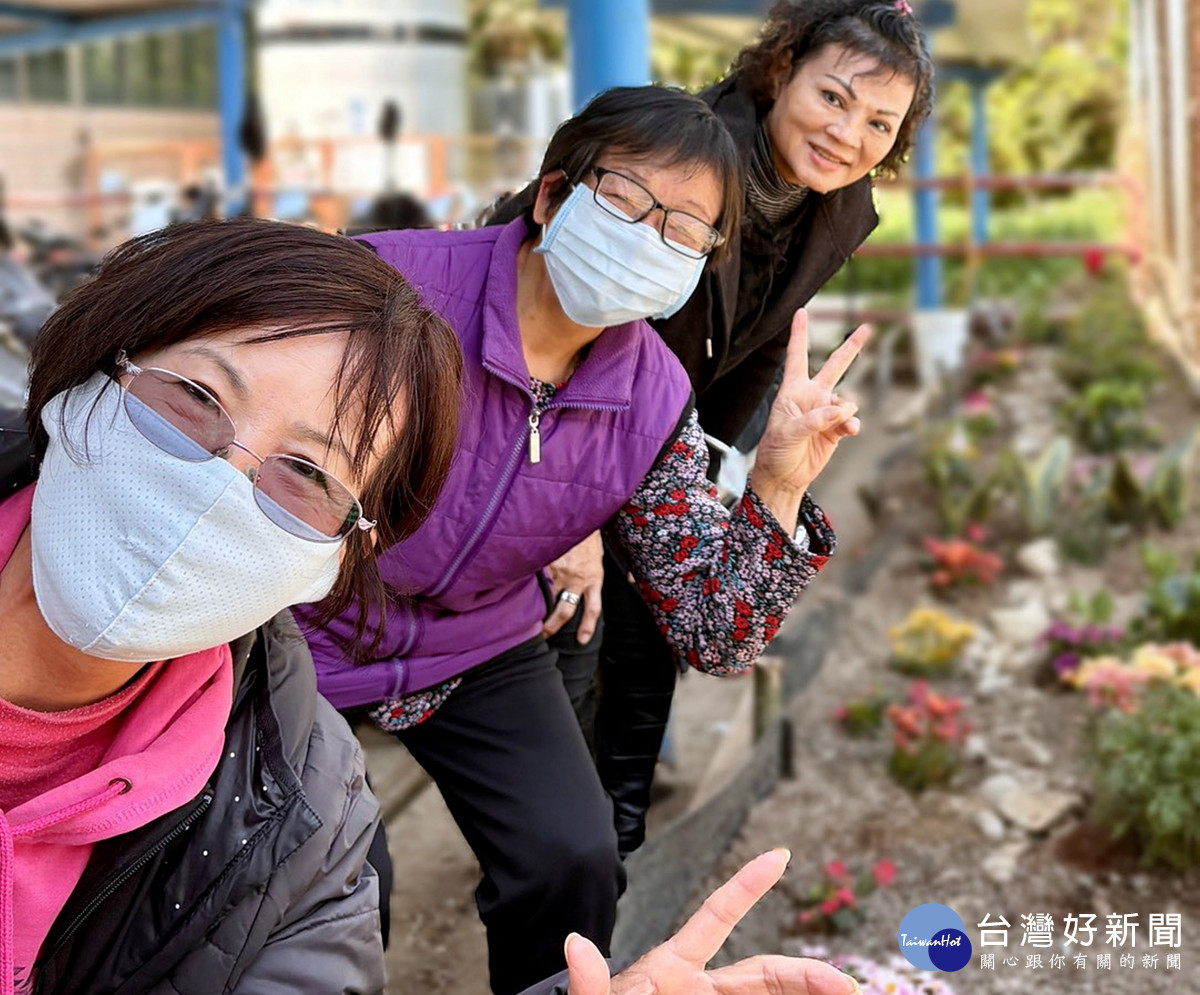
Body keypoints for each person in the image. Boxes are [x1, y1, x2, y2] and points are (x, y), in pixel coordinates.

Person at [299, 84, 868, 995]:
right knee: (337, 873)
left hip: (476, 640)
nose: (651, 238)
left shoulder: (650, 397)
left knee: (573, 858)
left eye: (687, 230)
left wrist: (778, 482)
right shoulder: (384, 293)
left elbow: (715, 630)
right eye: (627, 203)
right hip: (299, 630)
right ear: (555, 195)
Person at [489, 0, 934, 857]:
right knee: (574, 649)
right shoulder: (687, 152)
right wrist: (569, 512)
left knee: (654, 642)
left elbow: (762, 344)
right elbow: (563, 309)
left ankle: (614, 864)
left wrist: (716, 486)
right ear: (781, 71)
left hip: (660, 443)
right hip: (550, 425)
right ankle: (569, 883)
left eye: (880, 122)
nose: (849, 134)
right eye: (834, 98)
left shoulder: (834, 208)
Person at [0, 216, 463, 994]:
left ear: (340, 558)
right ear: (85, 377)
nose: (217, 485)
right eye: (193, 395)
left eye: (309, 476)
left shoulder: (304, 817)